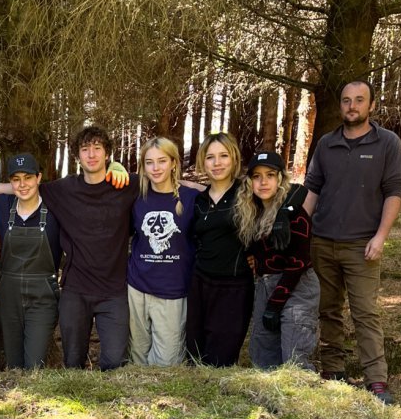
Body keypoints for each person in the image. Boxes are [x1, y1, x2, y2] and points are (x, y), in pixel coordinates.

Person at [303, 80, 401, 403]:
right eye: (347, 100)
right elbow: (312, 190)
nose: (352, 106)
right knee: (328, 310)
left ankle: (376, 380)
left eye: (359, 100)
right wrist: (300, 231)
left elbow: (394, 193)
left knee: (365, 313)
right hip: (322, 242)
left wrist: (381, 237)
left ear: (371, 105)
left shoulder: (387, 143)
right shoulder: (326, 144)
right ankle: (333, 371)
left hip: (362, 245)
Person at [35, 125, 136, 370]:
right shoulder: (64, 189)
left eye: (97, 148)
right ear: (77, 156)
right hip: (76, 291)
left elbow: (165, 181)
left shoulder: (127, 185)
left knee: (114, 362)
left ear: (107, 153)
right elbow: (24, 187)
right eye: (85, 149)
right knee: (73, 362)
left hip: (114, 292)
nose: (91, 154)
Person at [235, 151, 319, 370]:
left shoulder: (295, 215)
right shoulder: (251, 212)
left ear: (280, 179)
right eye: (257, 176)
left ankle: (301, 400)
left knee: (294, 354)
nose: (263, 182)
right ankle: (269, 400)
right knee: (262, 349)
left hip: (297, 286)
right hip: (265, 285)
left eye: (270, 175)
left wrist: (275, 304)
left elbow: (298, 263)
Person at [127, 137, 199, 366]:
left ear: (173, 163)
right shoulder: (135, 197)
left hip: (173, 289)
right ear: (143, 166)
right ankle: (138, 400)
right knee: (137, 355)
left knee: (168, 363)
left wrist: (195, 185)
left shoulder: (191, 198)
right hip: (137, 286)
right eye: (149, 162)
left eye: (162, 161)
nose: (156, 168)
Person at [185, 132, 254, 366]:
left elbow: (285, 192)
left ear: (234, 158)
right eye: (210, 157)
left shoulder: (248, 193)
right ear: (203, 161)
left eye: (223, 156)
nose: (217, 163)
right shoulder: (199, 200)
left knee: (221, 359)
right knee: (194, 353)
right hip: (200, 283)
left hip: (234, 287)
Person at [0, 153, 62, 369]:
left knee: (34, 365)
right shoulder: (2, 205)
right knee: (13, 363)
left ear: (39, 178)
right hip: (9, 295)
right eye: (16, 179)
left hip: (43, 296)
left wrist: (115, 168)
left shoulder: (56, 208)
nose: (22, 185)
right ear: (10, 182)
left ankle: (31, 399)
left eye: (28, 177)